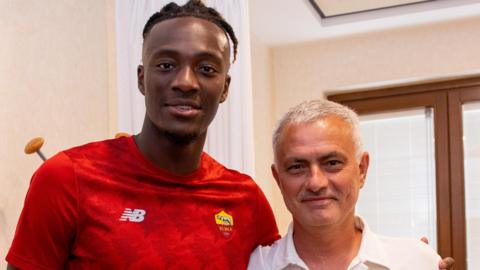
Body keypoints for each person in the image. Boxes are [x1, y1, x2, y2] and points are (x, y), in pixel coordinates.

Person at [6, 1, 279, 269]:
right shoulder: (67, 178)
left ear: (224, 88)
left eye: (206, 69)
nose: (185, 82)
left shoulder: (247, 200)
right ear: (141, 78)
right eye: (166, 65)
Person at [248, 99, 454, 270]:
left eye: (332, 163)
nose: (316, 182)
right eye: (296, 167)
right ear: (278, 179)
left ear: (362, 169)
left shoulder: (415, 262)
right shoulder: (254, 265)